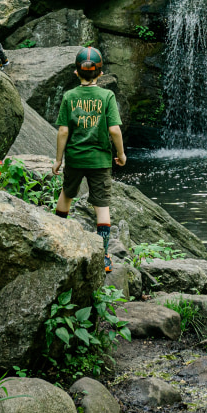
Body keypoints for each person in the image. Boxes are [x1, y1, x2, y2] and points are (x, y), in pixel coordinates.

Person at [52, 48, 127, 273]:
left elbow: (63, 131)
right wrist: (121, 154)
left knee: (66, 194)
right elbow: (114, 130)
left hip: (75, 158)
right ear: (100, 74)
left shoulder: (69, 96)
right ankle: (103, 256)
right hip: (100, 161)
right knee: (102, 206)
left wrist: (58, 160)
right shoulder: (107, 96)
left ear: (76, 73)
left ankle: (59, 243)